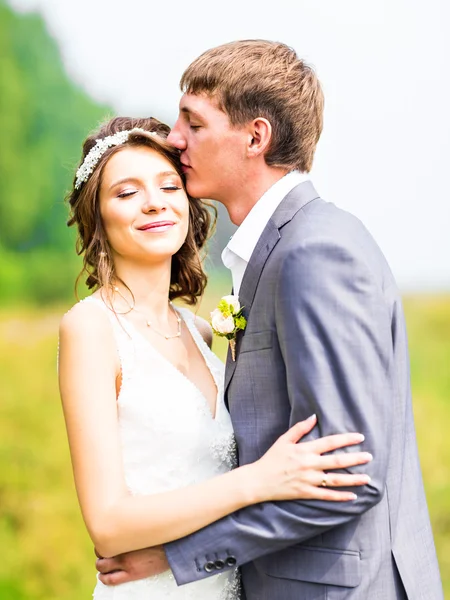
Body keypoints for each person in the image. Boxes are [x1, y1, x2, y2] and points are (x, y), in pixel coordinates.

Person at [96, 41, 443, 599]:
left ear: (255, 137)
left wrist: (179, 555)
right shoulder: (279, 251)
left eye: (194, 122)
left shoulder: (314, 253)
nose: (174, 138)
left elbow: (347, 477)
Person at [58, 116, 373, 600]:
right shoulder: (90, 328)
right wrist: (260, 480)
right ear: (97, 215)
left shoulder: (203, 330)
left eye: (169, 185)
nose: (154, 202)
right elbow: (108, 524)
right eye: (126, 193)